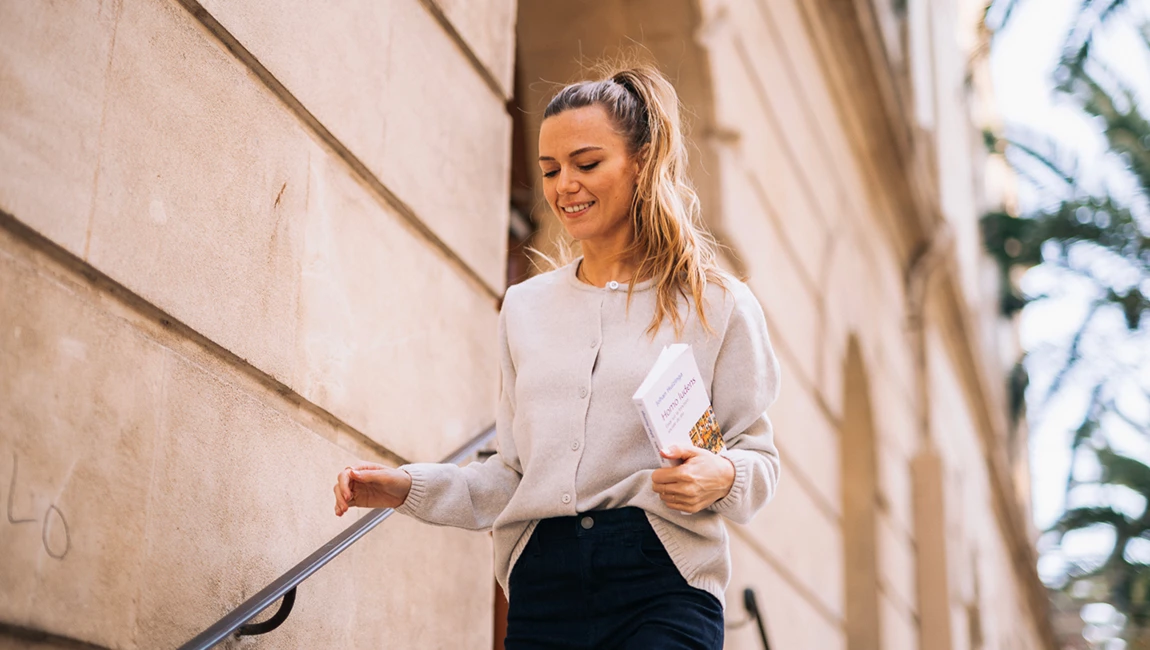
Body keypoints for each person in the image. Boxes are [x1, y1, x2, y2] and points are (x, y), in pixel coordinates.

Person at [333, 64, 781, 650]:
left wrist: (720, 475)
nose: (564, 184)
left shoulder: (717, 304)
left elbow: (758, 457)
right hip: (545, 586)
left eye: (587, 164)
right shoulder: (525, 307)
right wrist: (404, 487)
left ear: (641, 163)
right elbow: (511, 476)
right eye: (550, 169)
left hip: (663, 578)